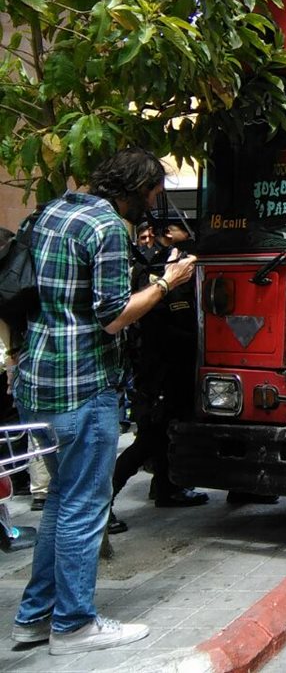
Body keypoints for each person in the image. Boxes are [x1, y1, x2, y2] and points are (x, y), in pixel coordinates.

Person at [10, 148, 197, 655]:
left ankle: (34, 618)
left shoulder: (53, 209)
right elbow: (114, 316)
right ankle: (73, 625)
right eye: (155, 194)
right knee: (84, 506)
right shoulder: (107, 227)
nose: (154, 205)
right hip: (82, 384)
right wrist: (167, 281)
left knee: (60, 504)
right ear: (136, 187)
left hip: (36, 380)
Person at [109, 213, 207, 528]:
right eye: (184, 228)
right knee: (149, 439)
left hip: (169, 367)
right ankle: (104, 504)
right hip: (160, 368)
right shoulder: (158, 269)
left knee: (166, 431)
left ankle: (167, 488)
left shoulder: (166, 263)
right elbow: (163, 324)